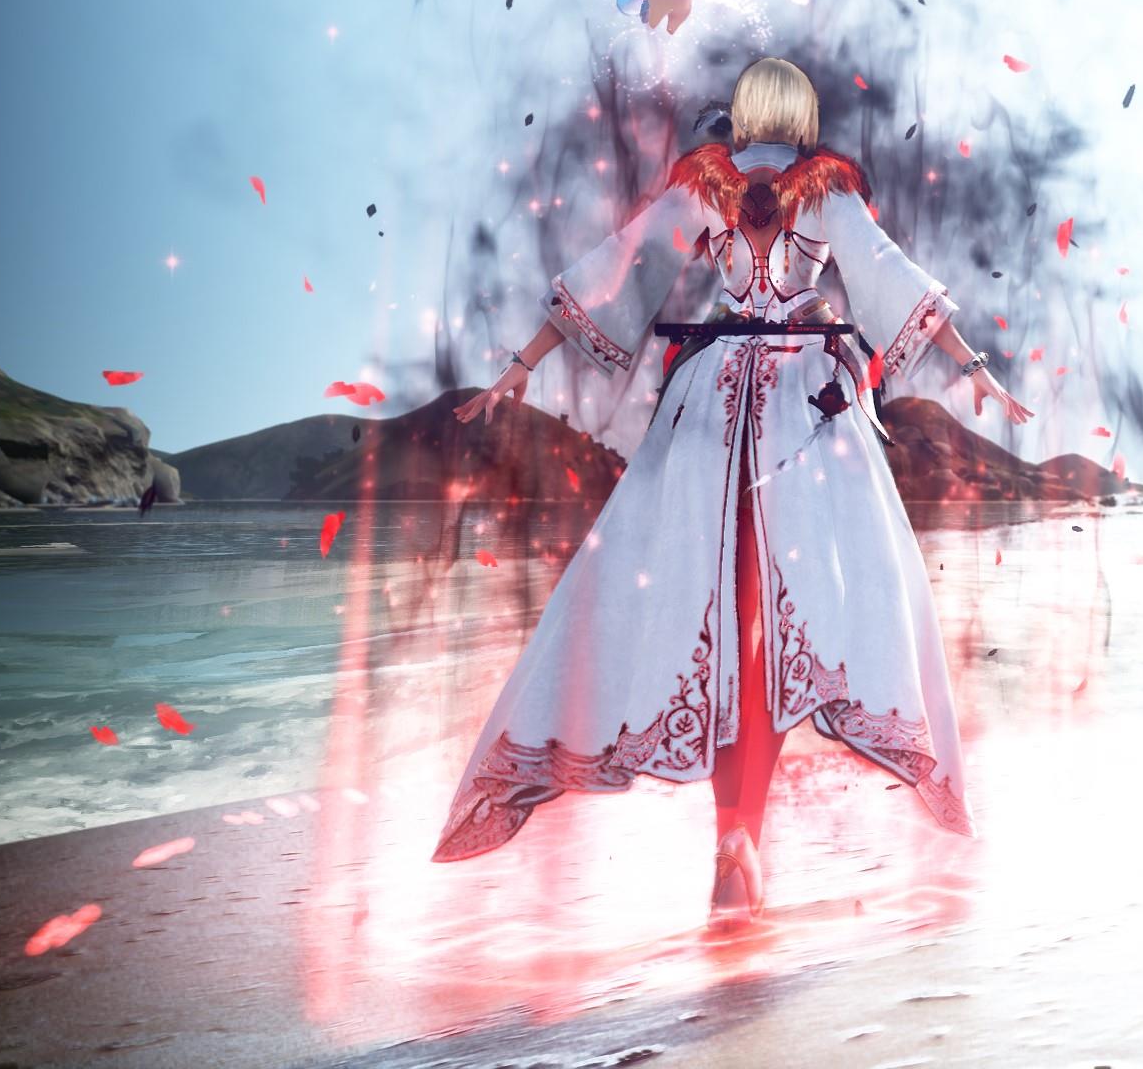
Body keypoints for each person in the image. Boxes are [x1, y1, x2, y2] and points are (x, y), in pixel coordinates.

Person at [433, 55, 1031, 923]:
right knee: (784, 631)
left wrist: (521, 364)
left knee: (720, 623)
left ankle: (732, 837)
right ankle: (743, 837)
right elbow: (891, 277)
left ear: (745, 114)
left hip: (708, 410)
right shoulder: (824, 189)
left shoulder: (703, 186)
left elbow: (615, 273)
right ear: (802, 114)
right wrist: (974, 367)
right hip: (804, 410)